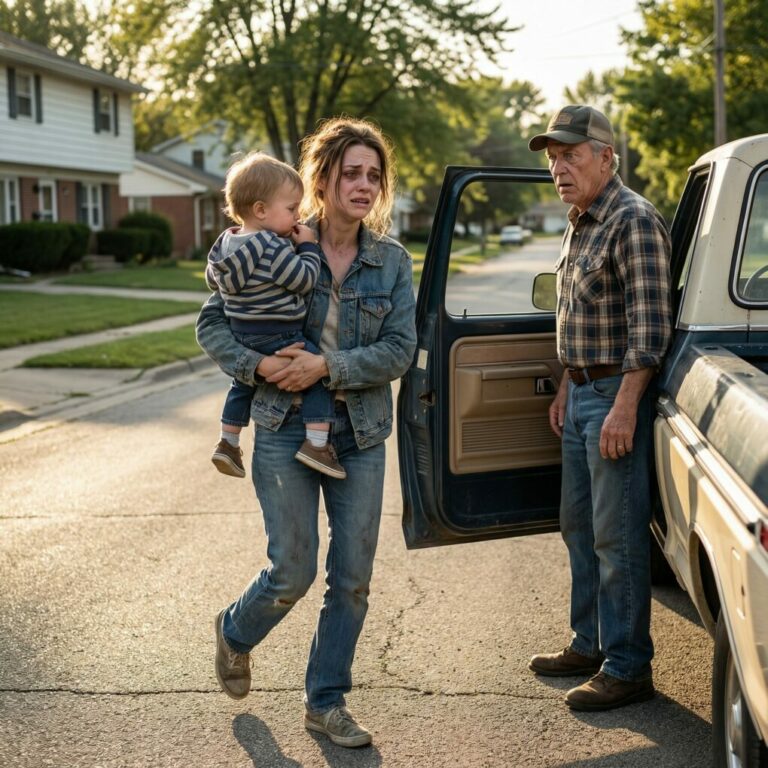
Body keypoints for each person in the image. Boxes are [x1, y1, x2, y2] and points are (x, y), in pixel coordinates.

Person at [196, 117, 417, 747]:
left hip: (360, 432)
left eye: (374, 174)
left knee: (351, 577)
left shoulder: (391, 261)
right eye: (351, 172)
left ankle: (326, 701)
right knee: (292, 571)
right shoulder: (272, 241)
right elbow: (213, 325)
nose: (364, 184)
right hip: (281, 427)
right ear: (323, 177)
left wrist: (331, 366)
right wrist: (260, 365)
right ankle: (236, 631)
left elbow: (401, 348)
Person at [527, 105, 673, 711]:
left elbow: (649, 325)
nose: (558, 167)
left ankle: (628, 664)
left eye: (571, 155)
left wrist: (624, 406)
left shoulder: (633, 220)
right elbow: (582, 316)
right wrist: (567, 382)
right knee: (579, 528)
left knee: (616, 537)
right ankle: (588, 643)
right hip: (583, 391)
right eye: (553, 157)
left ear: (606, 156)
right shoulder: (579, 221)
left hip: (616, 396)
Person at [206, 152, 344, 481]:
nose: (298, 215)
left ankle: (228, 442)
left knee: (242, 384)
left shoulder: (225, 243)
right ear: (261, 210)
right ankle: (317, 443)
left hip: (244, 335)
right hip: (280, 334)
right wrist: (308, 247)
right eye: (292, 208)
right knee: (319, 374)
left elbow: (213, 281)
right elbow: (303, 279)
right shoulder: (272, 246)